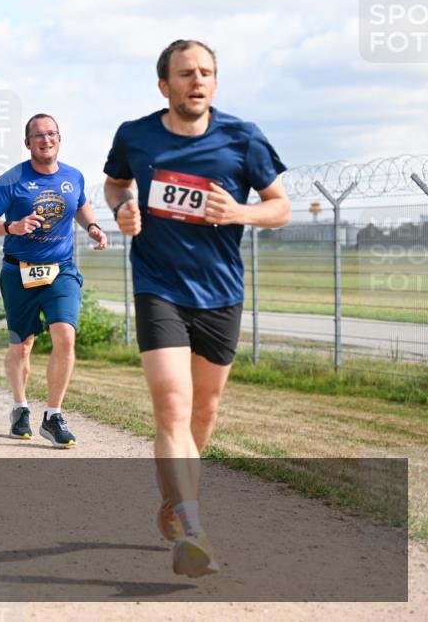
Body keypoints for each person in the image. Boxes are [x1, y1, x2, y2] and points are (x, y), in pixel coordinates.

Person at [102, 39, 291, 578]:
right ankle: (194, 527)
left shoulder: (243, 137)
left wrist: (240, 212)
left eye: (206, 72)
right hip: (158, 286)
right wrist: (123, 209)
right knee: (172, 405)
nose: (197, 81)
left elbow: (281, 207)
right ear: (165, 85)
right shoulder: (135, 135)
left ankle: (173, 501)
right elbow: (117, 183)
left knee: (204, 413)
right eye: (186, 73)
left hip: (221, 293)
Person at [0, 113, 107, 448]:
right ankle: (20, 408)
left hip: (60, 269)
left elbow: (81, 206)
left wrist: (91, 226)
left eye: (52, 134)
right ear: (27, 142)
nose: (46, 140)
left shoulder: (73, 176)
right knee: (22, 345)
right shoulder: (12, 180)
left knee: (65, 336)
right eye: (38, 136)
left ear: (59, 139)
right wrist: (11, 227)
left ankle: (53, 415)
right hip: (18, 271)